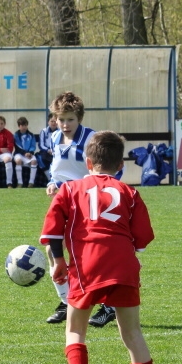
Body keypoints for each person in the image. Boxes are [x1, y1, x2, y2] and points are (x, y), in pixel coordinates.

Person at [40, 131, 161, 364]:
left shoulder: (70, 190)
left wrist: (58, 263)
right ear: (120, 165)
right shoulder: (129, 192)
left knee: (75, 330)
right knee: (132, 334)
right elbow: (143, 239)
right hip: (123, 265)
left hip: (87, 265)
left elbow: (52, 233)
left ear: (87, 161)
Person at [43, 92, 115, 328]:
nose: (65, 124)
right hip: (63, 199)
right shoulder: (54, 137)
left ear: (79, 118)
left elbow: (103, 170)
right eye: (61, 119)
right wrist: (52, 182)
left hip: (87, 201)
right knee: (52, 248)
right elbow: (57, 167)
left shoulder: (92, 138)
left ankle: (110, 305)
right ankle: (66, 301)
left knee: (93, 255)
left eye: (70, 119)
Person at [13, 116, 39, 187]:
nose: (24, 127)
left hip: (29, 153)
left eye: (25, 125)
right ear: (19, 126)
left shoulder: (31, 135)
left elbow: (33, 145)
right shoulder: (16, 135)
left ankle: (31, 182)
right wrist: (25, 153)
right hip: (19, 154)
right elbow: (18, 146)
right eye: (22, 125)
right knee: (18, 161)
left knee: (34, 161)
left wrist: (30, 152)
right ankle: (20, 183)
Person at [38, 112, 58, 177]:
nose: (53, 123)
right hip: (46, 151)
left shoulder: (60, 132)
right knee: (39, 157)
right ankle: (49, 177)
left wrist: (54, 150)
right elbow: (41, 145)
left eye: (55, 121)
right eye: (51, 121)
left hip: (56, 151)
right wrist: (48, 150)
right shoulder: (44, 131)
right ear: (48, 122)